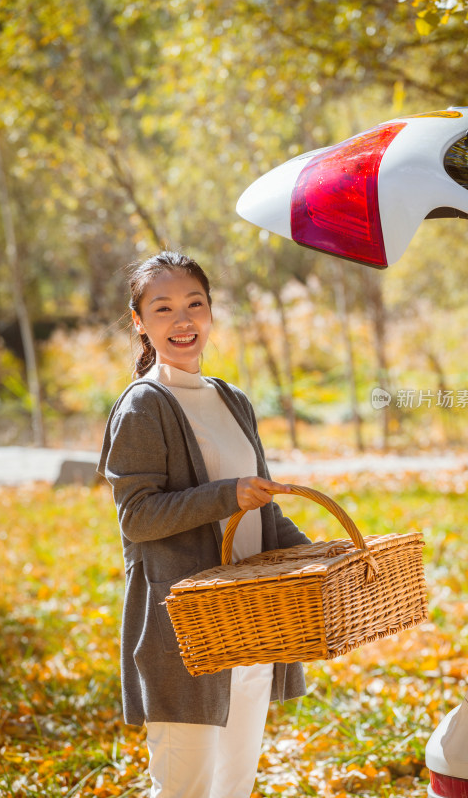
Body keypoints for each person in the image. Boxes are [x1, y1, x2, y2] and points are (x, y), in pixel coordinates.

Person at [97, 250, 311, 798]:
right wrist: (225, 495)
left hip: (252, 621)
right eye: (163, 308)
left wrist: (323, 557)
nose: (183, 320)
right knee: (185, 789)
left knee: (234, 785)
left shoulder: (232, 399)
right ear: (140, 322)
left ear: (211, 311)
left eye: (195, 304)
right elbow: (138, 517)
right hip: (186, 632)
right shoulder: (144, 405)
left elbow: (262, 507)